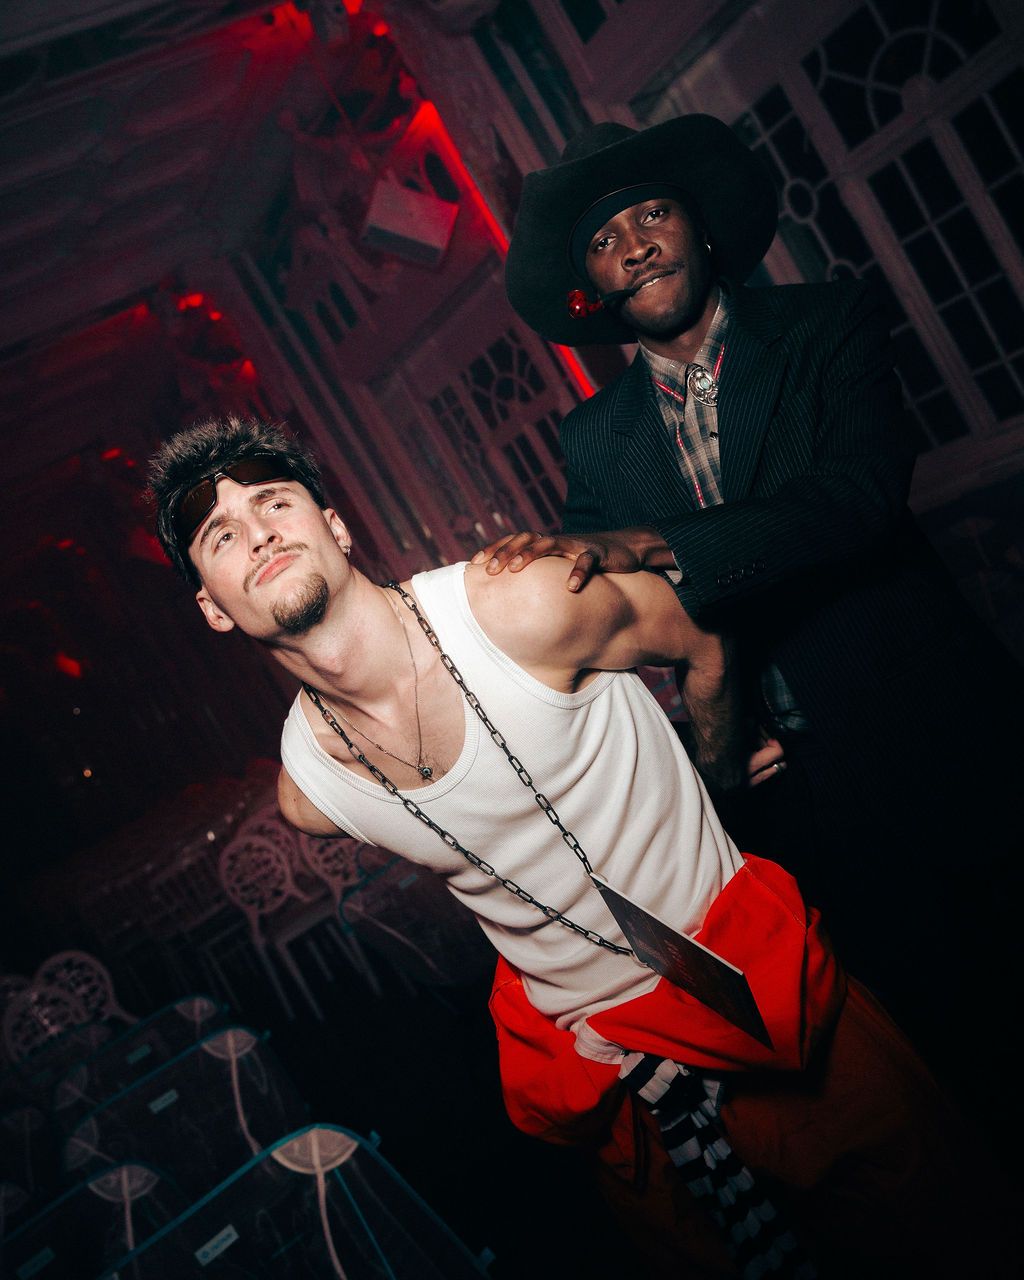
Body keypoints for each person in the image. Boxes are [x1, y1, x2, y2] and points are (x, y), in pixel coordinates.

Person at [149, 416, 1014, 1279]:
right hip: (614, 1092)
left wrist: (718, 778)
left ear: (335, 526)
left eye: (275, 502)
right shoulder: (312, 793)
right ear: (212, 608)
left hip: (767, 1005)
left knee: (949, 1241)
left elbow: (702, 638)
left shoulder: (520, 608)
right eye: (221, 535)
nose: (258, 532)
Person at [483, 113, 1024, 1078]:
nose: (635, 246)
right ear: (593, 285)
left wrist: (654, 542)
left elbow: (855, 500)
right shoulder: (593, 438)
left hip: (937, 731)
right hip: (794, 800)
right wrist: (704, 739)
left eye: (653, 215)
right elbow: (613, 621)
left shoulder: (826, 323)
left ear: (699, 228)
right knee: (934, 1050)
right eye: (604, 240)